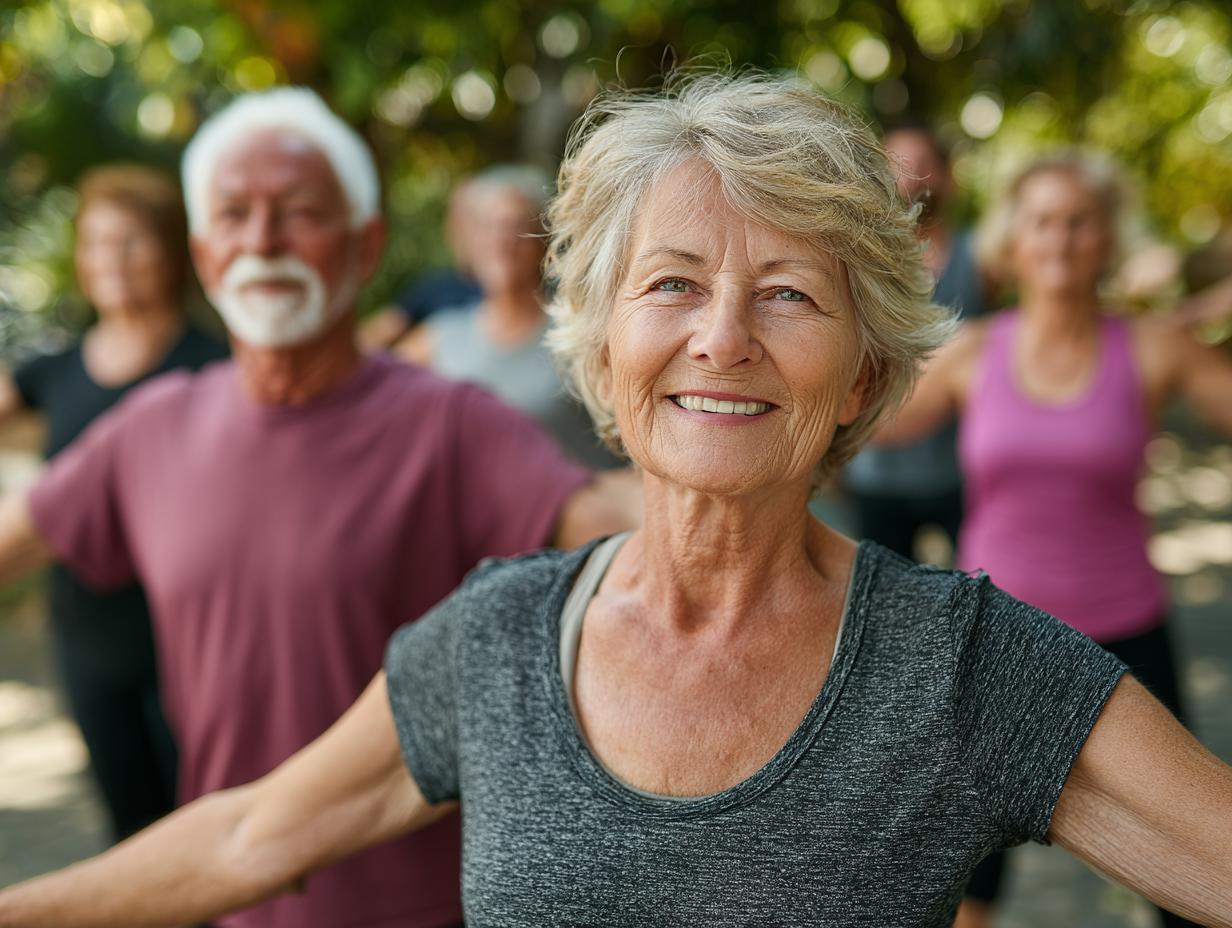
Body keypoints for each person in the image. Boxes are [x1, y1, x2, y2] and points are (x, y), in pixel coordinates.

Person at [1, 73, 1230, 928]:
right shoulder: (495, 637)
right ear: (599, 348)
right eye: (673, 283)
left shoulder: (958, 664)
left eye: (790, 293)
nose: (722, 339)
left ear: (864, 367)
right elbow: (246, 837)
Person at [0, 87, 636, 928]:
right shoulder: (152, 428)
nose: (262, 241)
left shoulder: (448, 424)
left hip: (423, 906)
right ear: (201, 250)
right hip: (224, 892)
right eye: (233, 214)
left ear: (364, 244)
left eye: (298, 212)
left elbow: (620, 533)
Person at [882, 150, 1232, 928]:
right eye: (1043, 220)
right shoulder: (972, 351)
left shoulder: (1153, 347)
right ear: (1014, 236)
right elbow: (853, 422)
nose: (1061, 239)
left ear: (1107, 239)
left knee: (1203, 873)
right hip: (998, 640)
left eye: (1080, 222)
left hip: (1126, 643)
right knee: (964, 887)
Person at [0, 165, 228, 840]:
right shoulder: (54, 368)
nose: (112, 259)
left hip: (186, 636)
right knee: (129, 824)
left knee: (201, 829)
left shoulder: (213, 366)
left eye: (131, 240)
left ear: (172, 251)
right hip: (87, 633)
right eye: (97, 242)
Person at [395, 165, 621, 470]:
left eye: (517, 227)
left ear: (543, 243)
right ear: (472, 243)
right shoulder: (441, 336)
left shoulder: (583, 331)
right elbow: (374, 401)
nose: (502, 241)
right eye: (489, 227)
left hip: (578, 511)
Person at [842, 126, 985, 560]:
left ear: (944, 175)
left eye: (922, 167)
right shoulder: (858, 257)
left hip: (960, 469)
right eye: (898, 168)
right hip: (877, 470)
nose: (910, 180)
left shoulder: (980, 256)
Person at [355, 180, 481, 352]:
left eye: (476, 218)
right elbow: (371, 336)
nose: (467, 229)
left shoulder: (518, 293)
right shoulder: (432, 289)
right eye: (460, 218)